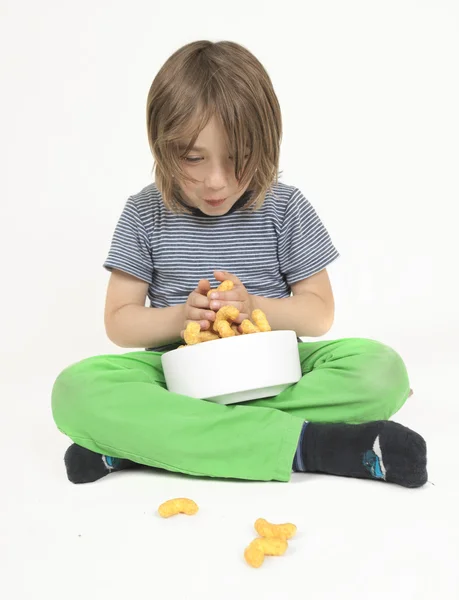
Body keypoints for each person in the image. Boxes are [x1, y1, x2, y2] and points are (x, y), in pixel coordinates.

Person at [51, 40, 427, 488]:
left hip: (277, 371)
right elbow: (119, 323)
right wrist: (182, 317)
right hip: (177, 375)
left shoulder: (284, 207)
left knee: (381, 369)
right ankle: (314, 446)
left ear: (266, 145)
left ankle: (151, 442)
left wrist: (254, 308)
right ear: (162, 146)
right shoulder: (143, 213)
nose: (216, 181)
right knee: (75, 389)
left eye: (238, 158)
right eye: (193, 158)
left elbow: (319, 313)